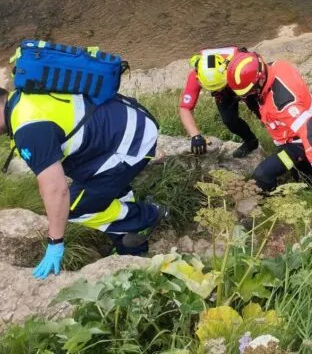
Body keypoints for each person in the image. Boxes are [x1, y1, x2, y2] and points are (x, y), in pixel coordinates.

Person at [0, 86, 163, 279]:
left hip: (130, 142)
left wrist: (55, 242)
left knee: (72, 208)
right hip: (126, 127)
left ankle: (145, 216)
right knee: (90, 189)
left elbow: (55, 190)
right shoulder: (25, 97)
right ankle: (129, 243)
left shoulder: (27, 126)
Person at [226, 51, 312, 197]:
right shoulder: (275, 66)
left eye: (249, 92)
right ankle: (307, 176)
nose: (247, 97)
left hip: (298, 144)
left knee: (262, 176)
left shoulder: (284, 103)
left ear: (260, 80)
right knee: (303, 178)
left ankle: (274, 201)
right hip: (295, 136)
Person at [179, 46, 260, 158]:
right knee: (229, 120)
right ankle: (250, 141)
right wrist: (195, 136)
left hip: (238, 78)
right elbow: (185, 108)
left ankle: (284, 142)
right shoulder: (196, 75)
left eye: (218, 87)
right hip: (225, 90)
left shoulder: (239, 65)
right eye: (212, 88)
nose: (217, 89)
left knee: (261, 111)